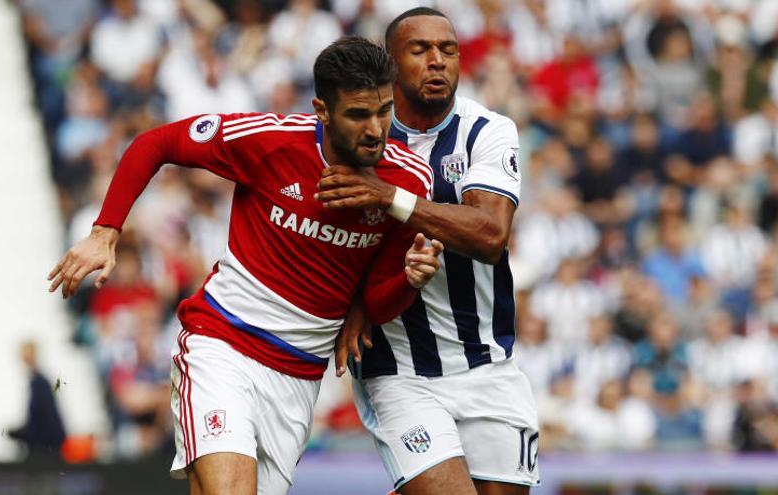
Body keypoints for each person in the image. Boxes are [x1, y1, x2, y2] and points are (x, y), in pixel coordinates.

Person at [48, 37, 441, 495]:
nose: (376, 129)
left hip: (299, 376)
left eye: (384, 111)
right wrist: (104, 232)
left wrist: (409, 281)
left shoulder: (409, 180)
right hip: (224, 347)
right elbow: (156, 143)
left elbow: (376, 298)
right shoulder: (270, 141)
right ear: (323, 110)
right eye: (358, 115)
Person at [317, 8, 539, 495]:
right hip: (397, 370)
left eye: (449, 50)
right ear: (391, 65)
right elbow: (329, 232)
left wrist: (388, 197)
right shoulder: (358, 132)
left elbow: (489, 236)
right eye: (420, 50)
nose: (437, 61)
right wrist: (354, 301)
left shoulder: (488, 130)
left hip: (488, 364)